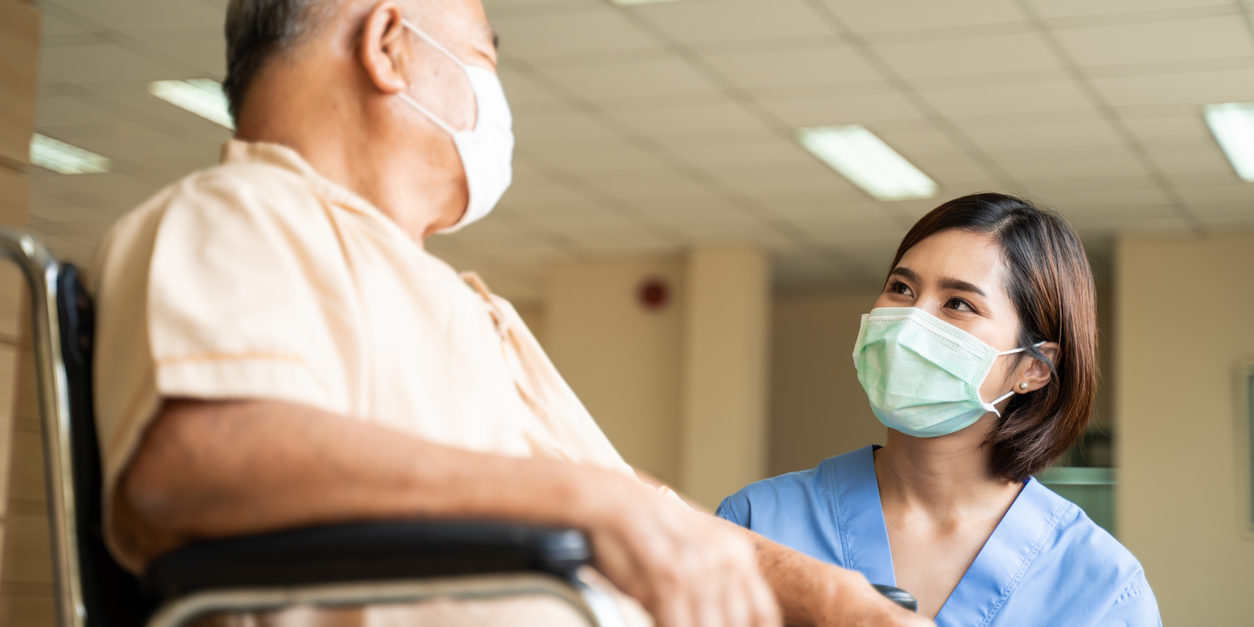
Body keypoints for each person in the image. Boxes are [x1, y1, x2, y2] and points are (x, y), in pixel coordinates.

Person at [90, 0, 930, 625]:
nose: (496, 96)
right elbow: (196, 460)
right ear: (389, 46)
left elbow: (638, 506)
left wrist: (836, 598)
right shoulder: (237, 213)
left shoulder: (457, 304)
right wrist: (578, 503)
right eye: (484, 56)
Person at [717, 193, 1160, 625]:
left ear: (1033, 366)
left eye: (958, 304)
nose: (911, 323)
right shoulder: (757, 522)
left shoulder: (1099, 585)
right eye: (901, 288)